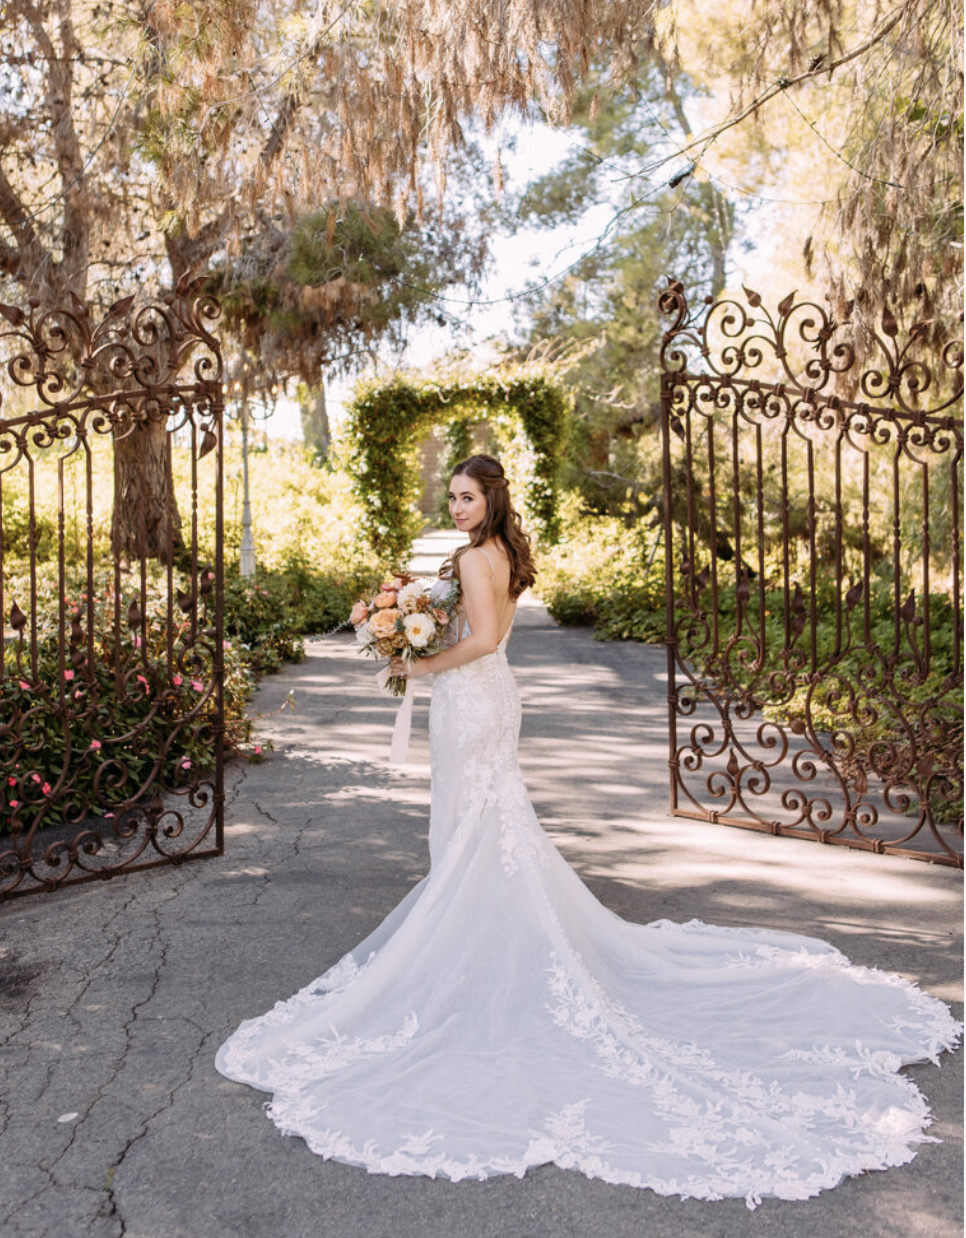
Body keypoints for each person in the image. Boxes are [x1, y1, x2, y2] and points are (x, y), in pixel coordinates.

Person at [215, 453, 961, 1209]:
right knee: (488, 823)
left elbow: (476, 641)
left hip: (471, 696)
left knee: (473, 825)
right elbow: (488, 629)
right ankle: (487, 937)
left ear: (491, 500)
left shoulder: (477, 557)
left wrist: (420, 662)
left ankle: (468, 949)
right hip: (493, 698)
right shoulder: (500, 554)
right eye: (453, 495)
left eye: (468, 496)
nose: (458, 504)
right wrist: (413, 628)